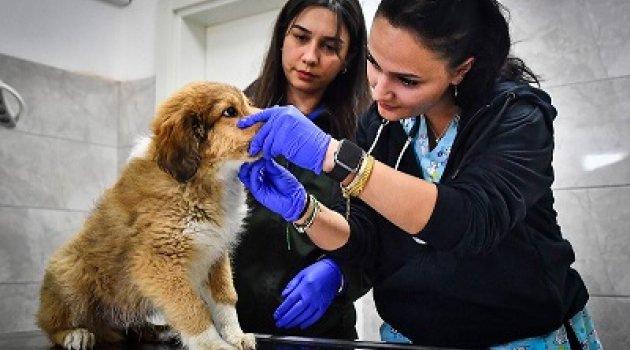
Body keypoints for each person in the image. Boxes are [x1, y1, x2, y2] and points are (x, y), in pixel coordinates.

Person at [237, 0, 604, 349]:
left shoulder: (515, 116)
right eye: (373, 63)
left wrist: (333, 156)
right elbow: (367, 241)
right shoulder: (382, 125)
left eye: (407, 81)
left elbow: (470, 220)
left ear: (461, 69)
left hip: (517, 336)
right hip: (410, 337)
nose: (380, 90)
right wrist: (305, 211)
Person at [232, 0, 372, 340]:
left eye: (329, 46)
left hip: (324, 335)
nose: (310, 57)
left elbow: (381, 234)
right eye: (301, 37)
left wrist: (339, 275)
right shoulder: (234, 115)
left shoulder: (367, 129)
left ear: (348, 59)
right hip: (232, 330)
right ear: (282, 37)